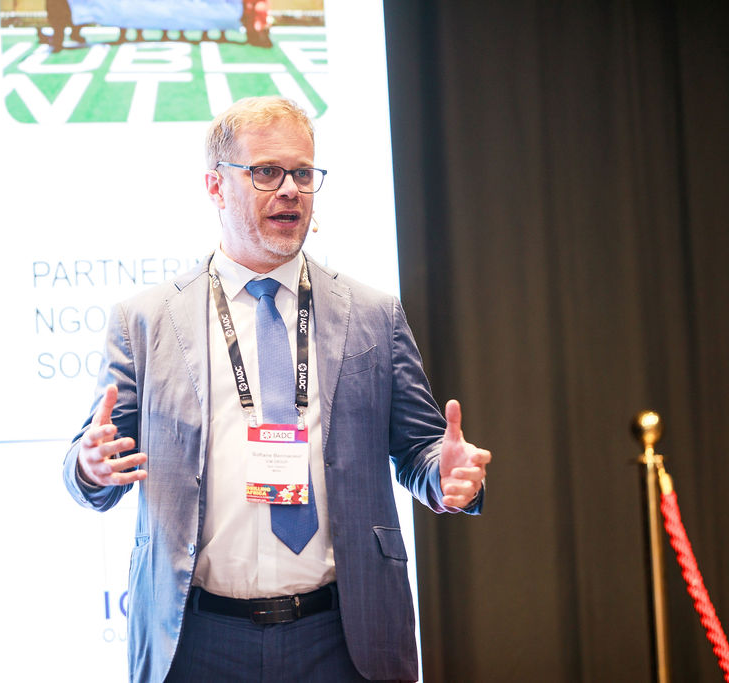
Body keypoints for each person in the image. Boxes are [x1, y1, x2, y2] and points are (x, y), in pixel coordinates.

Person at [63, 96, 491, 682]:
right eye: (266, 171)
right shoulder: (145, 321)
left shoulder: (373, 315)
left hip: (342, 635)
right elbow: (91, 468)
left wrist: (445, 477)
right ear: (216, 186)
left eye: (303, 173)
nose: (290, 189)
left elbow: (419, 450)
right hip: (196, 640)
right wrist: (91, 468)